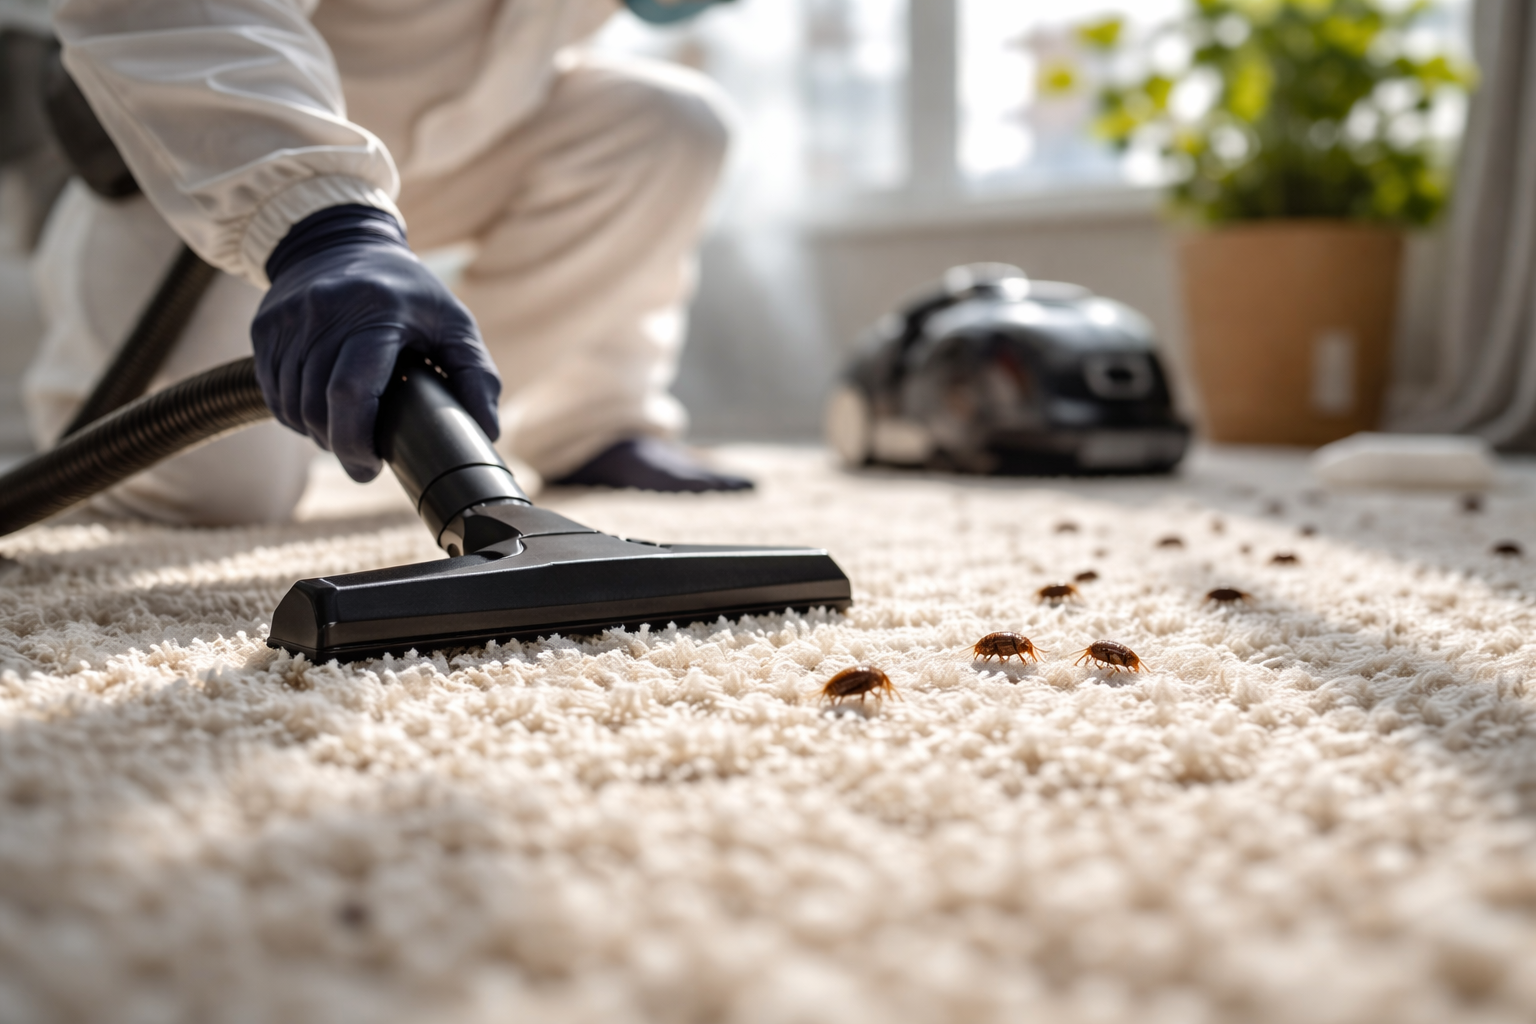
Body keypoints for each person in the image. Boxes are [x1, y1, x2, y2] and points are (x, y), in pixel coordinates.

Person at [24, 0, 749, 527]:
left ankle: (587, 422)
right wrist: (324, 226)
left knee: (667, 122)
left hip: (429, 162)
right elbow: (190, 17)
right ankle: (62, 420)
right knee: (217, 497)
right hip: (214, 167)